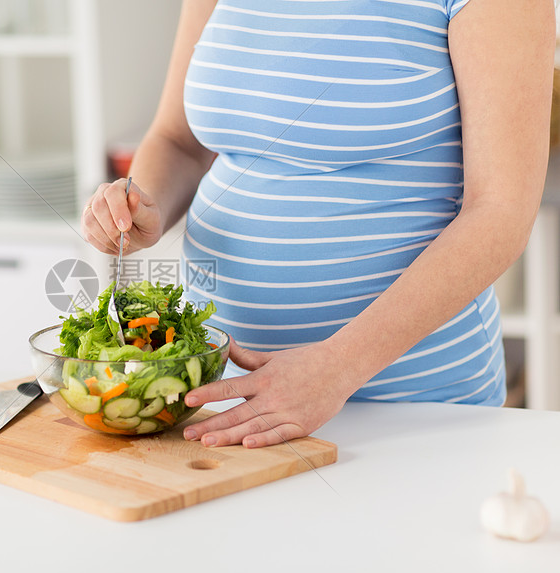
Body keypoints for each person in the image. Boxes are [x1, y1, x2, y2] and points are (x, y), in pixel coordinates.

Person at [81, 0, 554, 448]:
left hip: (410, 407)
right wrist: (144, 206)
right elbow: (178, 140)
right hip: (222, 396)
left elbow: (500, 212)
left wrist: (338, 367)